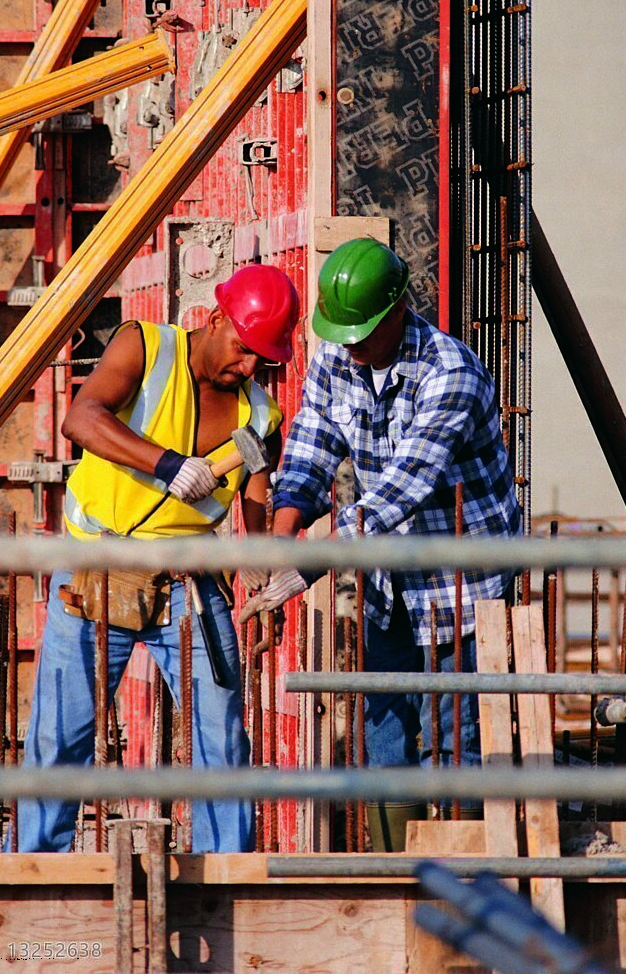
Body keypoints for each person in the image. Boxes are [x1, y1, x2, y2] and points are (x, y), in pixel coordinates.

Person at [16, 263, 299, 853]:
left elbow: (253, 507)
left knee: (222, 740)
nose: (248, 367)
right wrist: (167, 465)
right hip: (98, 572)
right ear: (217, 316)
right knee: (60, 740)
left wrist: (264, 585)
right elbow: (82, 418)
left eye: (262, 359)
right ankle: (35, 878)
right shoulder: (144, 346)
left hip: (188, 585)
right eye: (243, 349)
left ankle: (229, 880)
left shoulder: (260, 416)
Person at [240, 238, 521, 830]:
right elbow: (313, 448)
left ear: (398, 310)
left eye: (362, 335)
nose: (351, 349)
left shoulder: (451, 374)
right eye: (342, 335)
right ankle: (395, 866)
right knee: (382, 717)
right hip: (386, 575)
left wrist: (303, 570)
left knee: (452, 731)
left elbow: (399, 492)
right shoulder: (339, 354)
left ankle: (458, 874)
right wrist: (280, 533)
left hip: (457, 576)